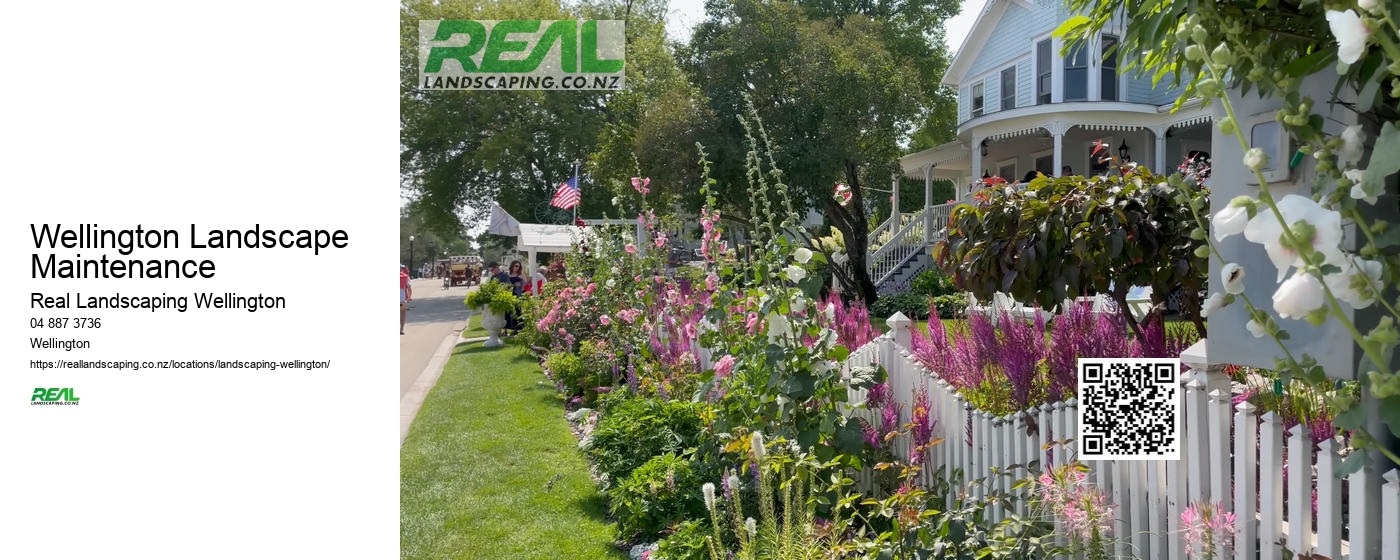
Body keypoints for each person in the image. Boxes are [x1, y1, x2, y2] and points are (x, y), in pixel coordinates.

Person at [400, 264, 412, 335]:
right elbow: (409, 289)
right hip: (402, 299)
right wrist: (409, 297)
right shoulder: (406, 277)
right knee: (402, 313)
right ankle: (401, 329)